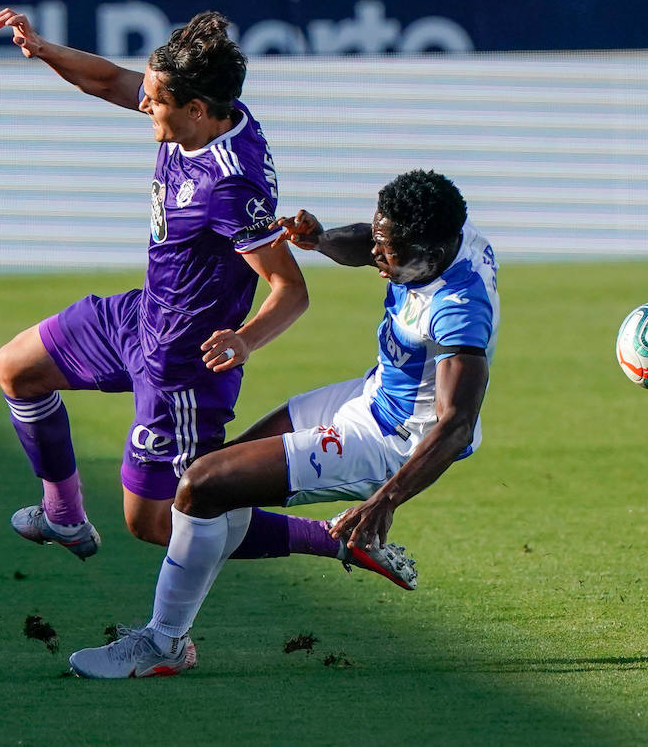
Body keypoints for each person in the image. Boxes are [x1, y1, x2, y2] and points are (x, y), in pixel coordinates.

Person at [67, 169, 500, 679]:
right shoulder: (452, 234)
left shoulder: (458, 311)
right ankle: (181, 629)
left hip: (392, 442)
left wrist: (385, 499)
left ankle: (162, 641)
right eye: (382, 239)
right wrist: (322, 240)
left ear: (431, 250)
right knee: (218, 478)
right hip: (371, 395)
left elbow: (455, 426)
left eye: (391, 252)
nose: (378, 256)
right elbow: (373, 238)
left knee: (203, 487)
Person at [0, 9, 320, 563]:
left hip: (183, 363)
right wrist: (43, 48)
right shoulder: (202, 111)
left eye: (155, 99)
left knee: (159, 522)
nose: (143, 103)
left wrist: (244, 340)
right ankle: (64, 516)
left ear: (193, 110)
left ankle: (333, 537)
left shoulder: (228, 184)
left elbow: (291, 289)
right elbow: (111, 81)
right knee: (16, 369)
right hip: (141, 315)